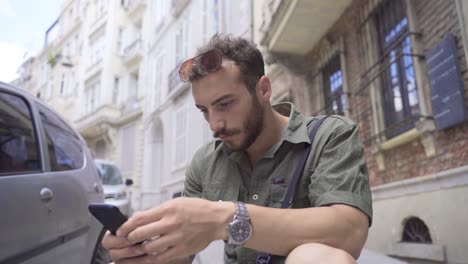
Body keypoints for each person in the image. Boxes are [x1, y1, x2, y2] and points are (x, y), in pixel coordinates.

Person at [102, 35, 372, 264]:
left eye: (225, 104)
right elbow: (180, 255)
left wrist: (226, 219)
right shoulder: (206, 161)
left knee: (316, 256)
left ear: (263, 90)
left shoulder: (330, 135)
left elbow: (349, 231)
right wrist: (143, 250)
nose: (214, 124)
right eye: (204, 111)